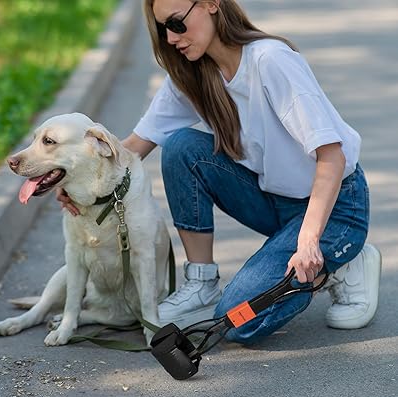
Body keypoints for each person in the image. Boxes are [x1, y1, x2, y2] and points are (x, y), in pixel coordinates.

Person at [58, 0, 381, 345]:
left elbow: (331, 155)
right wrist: (76, 178)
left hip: (335, 208)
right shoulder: (194, 73)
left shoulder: (270, 60)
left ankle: (344, 260)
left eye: (177, 23)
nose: (170, 37)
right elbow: (132, 148)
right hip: (276, 203)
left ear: (211, 4)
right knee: (182, 146)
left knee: (238, 319)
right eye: (164, 28)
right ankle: (201, 283)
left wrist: (308, 240)